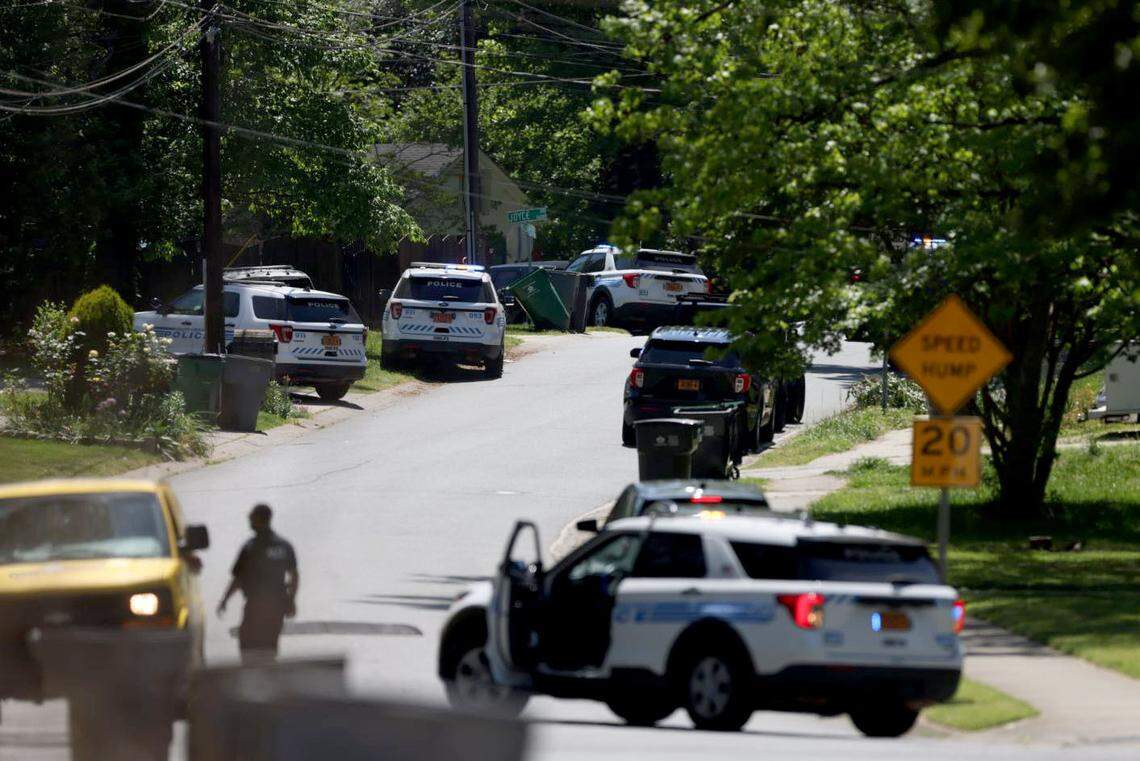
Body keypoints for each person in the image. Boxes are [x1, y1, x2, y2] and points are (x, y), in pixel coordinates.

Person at [217, 504, 299, 663]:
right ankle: (268, 678)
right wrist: (291, 599)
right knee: (270, 646)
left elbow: (238, 579)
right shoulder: (283, 546)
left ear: (259, 519)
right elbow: (294, 576)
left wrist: (225, 600)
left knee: (247, 646)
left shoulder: (250, 547)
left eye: (252, 517)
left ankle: (253, 678)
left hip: (255, 606)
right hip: (277, 607)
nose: (249, 519)